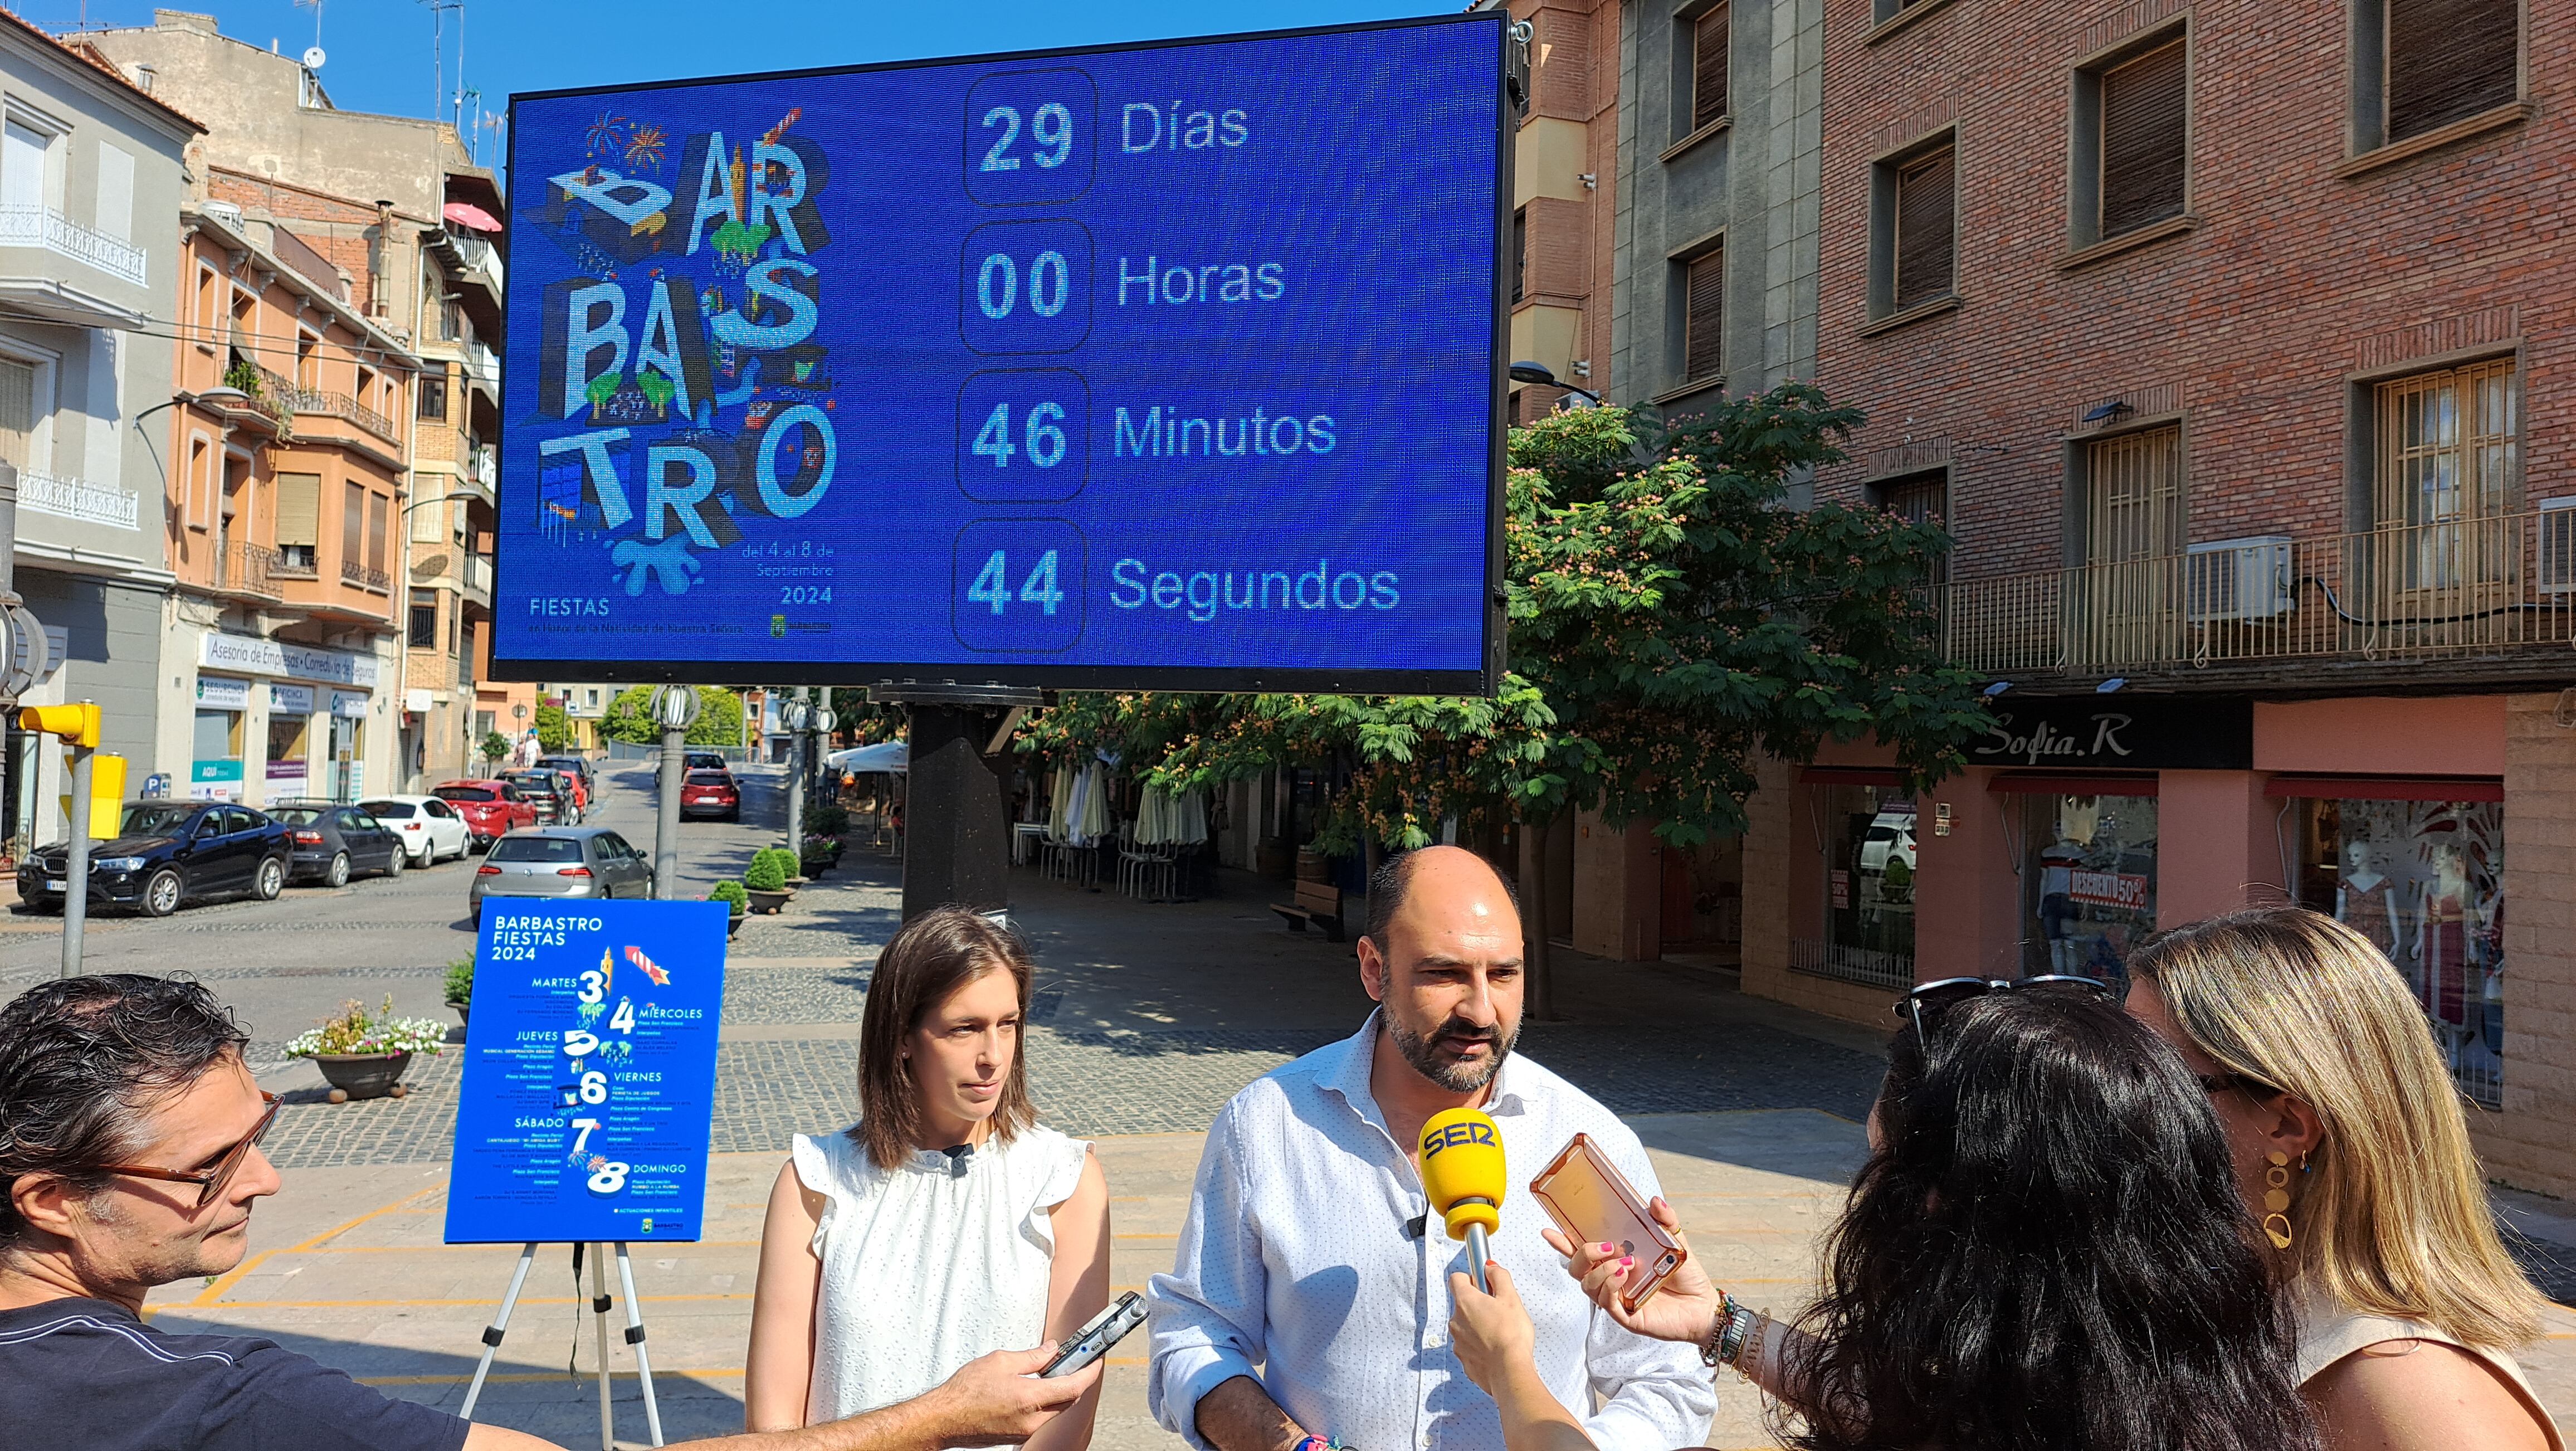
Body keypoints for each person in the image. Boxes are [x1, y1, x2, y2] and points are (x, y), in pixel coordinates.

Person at [0, 973, 1099, 1451]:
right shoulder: (221, 1403)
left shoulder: (1060, 1170)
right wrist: (935, 1420)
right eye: (212, 1164)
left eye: (263, 1136)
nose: (263, 1181)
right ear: (50, 1198)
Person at [1451, 983, 2321, 1451]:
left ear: (1950, 1209)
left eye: (1882, 1174)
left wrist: (1513, 1374)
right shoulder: (2164, 1378)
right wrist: (1720, 1325)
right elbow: (1914, 1411)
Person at [1146, 846, 1714, 1451]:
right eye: (1443, 973)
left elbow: (1667, 1381)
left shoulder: (1585, 1142)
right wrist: (1286, 1447)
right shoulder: (1267, 1124)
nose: (1479, 1010)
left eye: (1503, 974)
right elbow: (1195, 1329)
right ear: (1373, 969)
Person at [2125, 907, 2561, 1450]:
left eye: (2144, 1077)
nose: (2109, 1097)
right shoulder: (2249, 1298)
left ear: (2287, 1124)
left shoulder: (2412, 1390)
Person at [747, 908, 1110, 1446]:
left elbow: (1063, 1415)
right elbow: (773, 1424)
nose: (993, 1056)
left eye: (1007, 1025)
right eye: (965, 1029)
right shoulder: (817, 1183)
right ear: (902, 1038)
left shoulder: (1063, 1181)